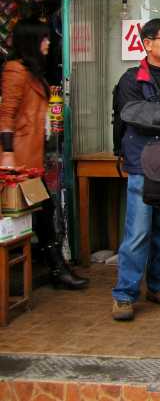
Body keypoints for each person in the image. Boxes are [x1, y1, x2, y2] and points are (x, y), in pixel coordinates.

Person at [0, 18, 88, 290]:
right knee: (42, 213)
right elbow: (7, 115)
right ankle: (57, 270)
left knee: (44, 213)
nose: (49, 43)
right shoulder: (15, 70)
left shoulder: (32, 72)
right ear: (32, 41)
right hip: (19, 161)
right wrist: (7, 153)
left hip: (32, 158)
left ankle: (57, 268)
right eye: (44, 38)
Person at [111, 19, 160, 321]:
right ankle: (124, 295)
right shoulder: (131, 80)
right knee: (138, 232)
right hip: (141, 162)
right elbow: (133, 118)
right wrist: (119, 152)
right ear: (147, 43)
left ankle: (157, 285)